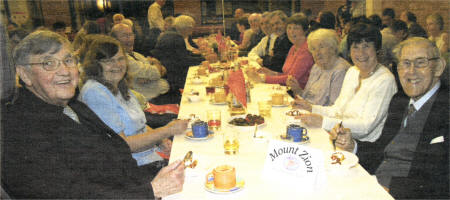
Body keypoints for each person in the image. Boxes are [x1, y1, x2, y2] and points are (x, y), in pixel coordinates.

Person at [2, 30, 185, 198]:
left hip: (131, 182)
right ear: (24, 74)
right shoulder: (19, 128)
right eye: (48, 63)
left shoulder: (71, 104)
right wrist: (152, 190)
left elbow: (114, 149)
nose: (64, 71)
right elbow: (69, 194)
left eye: (68, 60)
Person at [330, 37, 448, 199]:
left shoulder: (446, 108)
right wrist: (353, 146)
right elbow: (383, 149)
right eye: (405, 63)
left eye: (420, 62)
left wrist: (389, 189)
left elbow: (441, 183)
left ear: (439, 67)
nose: (411, 71)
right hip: (373, 183)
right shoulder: (399, 101)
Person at [78, 35, 187, 166]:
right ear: (96, 64)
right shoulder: (95, 92)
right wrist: (167, 131)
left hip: (150, 156)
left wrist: (161, 140)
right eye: (109, 61)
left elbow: (139, 125)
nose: (117, 65)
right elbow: (123, 145)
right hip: (130, 167)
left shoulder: (119, 85)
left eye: (120, 59)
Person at [293, 23, 397, 143]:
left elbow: (366, 127)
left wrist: (323, 122)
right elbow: (337, 110)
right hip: (339, 136)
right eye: (355, 47)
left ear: (377, 49)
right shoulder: (353, 72)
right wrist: (311, 108)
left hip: (363, 146)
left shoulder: (384, 80)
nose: (360, 53)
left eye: (366, 46)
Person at [247, 13, 313, 87]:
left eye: (296, 28)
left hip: (298, 94)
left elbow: (291, 79)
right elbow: (287, 74)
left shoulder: (306, 50)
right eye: (289, 28)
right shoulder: (293, 47)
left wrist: (263, 78)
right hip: (287, 89)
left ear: (305, 31)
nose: (291, 32)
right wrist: (272, 73)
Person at [286, 28, 350, 106]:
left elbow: (334, 108)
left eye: (321, 47)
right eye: (313, 49)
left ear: (333, 47)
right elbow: (308, 98)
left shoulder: (340, 71)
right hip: (308, 112)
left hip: (320, 116)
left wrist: (308, 108)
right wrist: (297, 89)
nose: (317, 53)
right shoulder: (316, 67)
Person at [111, 23, 168, 100]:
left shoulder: (136, 55)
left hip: (162, 92)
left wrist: (154, 72)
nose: (129, 39)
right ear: (115, 39)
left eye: (131, 34)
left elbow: (162, 70)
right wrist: (156, 65)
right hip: (150, 100)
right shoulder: (122, 59)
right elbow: (155, 72)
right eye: (125, 36)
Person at [151, 32, 204, 104]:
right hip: (174, 86)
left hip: (171, 83)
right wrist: (202, 58)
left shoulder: (169, 37)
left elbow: (185, 55)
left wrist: (201, 57)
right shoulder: (177, 38)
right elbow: (184, 59)